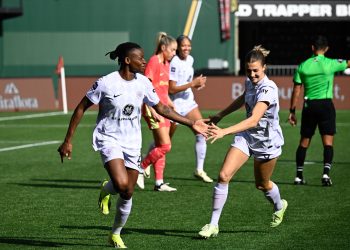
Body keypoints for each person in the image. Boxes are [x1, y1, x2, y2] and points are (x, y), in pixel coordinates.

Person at [57, 42, 208, 248]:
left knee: (128, 191)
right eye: (140, 58)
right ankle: (110, 188)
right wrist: (68, 141)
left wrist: (192, 122)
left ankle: (115, 234)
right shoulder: (106, 83)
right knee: (121, 184)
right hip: (109, 138)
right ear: (128, 60)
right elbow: (81, 107)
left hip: (132, 142)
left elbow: (162, 108)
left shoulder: (144, 83)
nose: (144, 61)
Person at [198, 45, 287, 239]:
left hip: (266, 141)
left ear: (264, 68)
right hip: (247, 136)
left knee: (262, 185)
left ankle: (279, 205)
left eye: (256, 70)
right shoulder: (249, 82)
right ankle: (213, 224)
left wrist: (224, 131)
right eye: (249, 70)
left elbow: (254, 119)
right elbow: (242, 99)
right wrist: (220, 115)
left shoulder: (268, 89)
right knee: (223, 175)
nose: (252, 74)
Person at [288, 35, 350, 186]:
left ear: (312, 48)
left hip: (309, 106)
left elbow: (296, 90)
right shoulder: (331, 63)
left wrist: (292, 111)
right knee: (328, 142)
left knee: (304, 141)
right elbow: (348, 63)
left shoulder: (303, 66)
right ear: (327, 49)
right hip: (326, 105)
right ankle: (325, 175)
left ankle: (298, 176)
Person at [137, 32, 179, 191]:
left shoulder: (167, 64)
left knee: (162, 146)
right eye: (173, 50)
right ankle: (141, 167)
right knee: (166, 146)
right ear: (163, 48)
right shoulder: (154, 61)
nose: (174, 53)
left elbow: (163, 90)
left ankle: (159, 183)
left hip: (163, 108)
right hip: (152, 108)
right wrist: (150, 109)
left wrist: (170, 103)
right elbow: (145, 88)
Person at [168, 35, 213, 183]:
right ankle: (144, 163)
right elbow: (172, 89)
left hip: (189, 103)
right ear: (178, 47)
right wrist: (193, 84)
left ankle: (199, 170)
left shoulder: (191, 59)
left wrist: (197, 85)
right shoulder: (174, 62)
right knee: (164, 142)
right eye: (183, 46)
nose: (186, 48)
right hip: (174, 106)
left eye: (189, 45)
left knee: (202, 133)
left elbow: (188, 82)